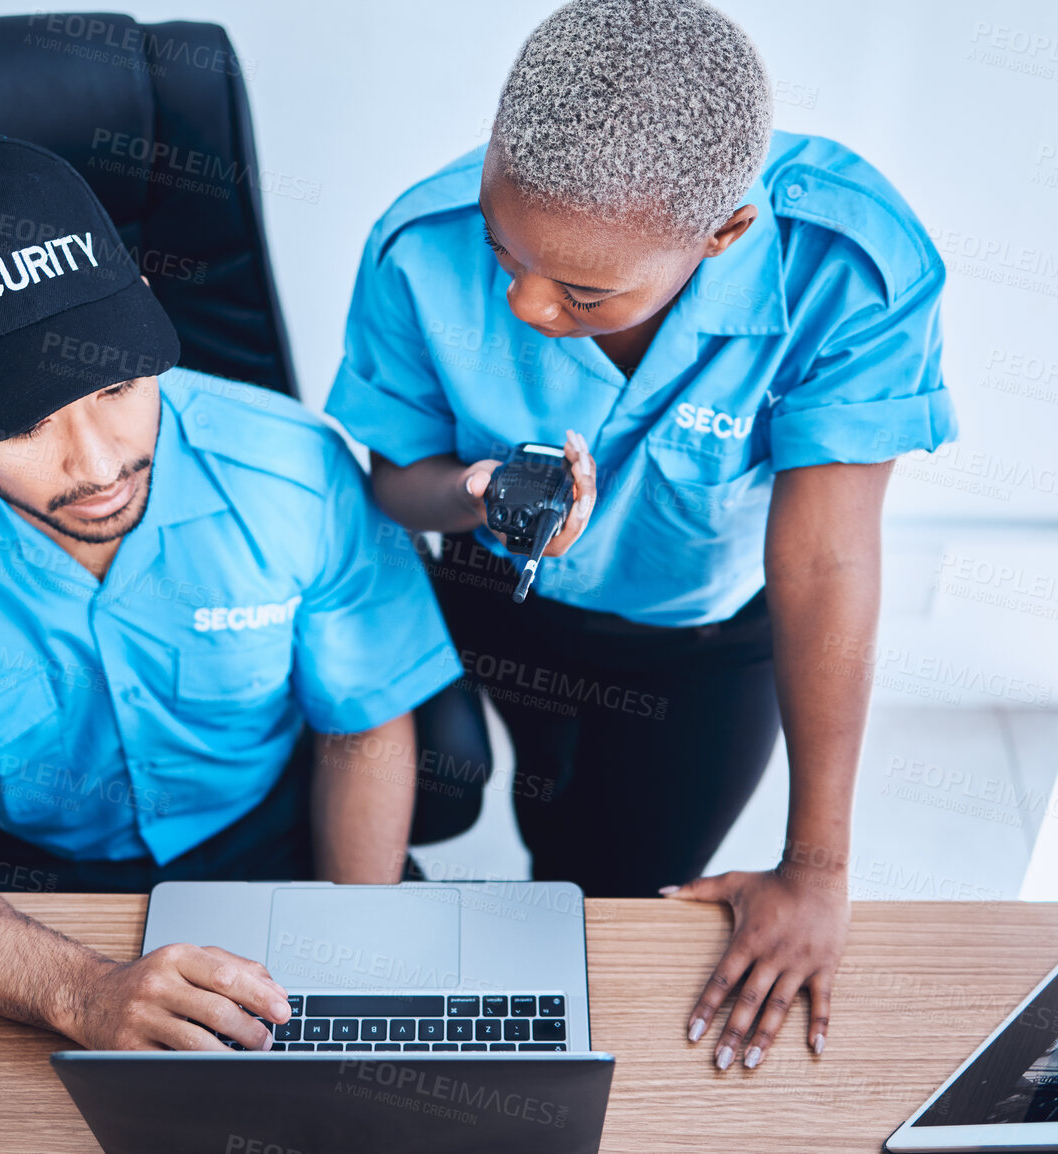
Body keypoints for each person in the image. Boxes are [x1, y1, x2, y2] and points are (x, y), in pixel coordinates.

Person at [324, 0, 956, 1072]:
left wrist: (816, 868)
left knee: (601, 896)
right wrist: (475, 493)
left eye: (582, 291)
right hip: (485, 593)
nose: (524, 304)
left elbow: (824, 559)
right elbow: (397, 488)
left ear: (722, 237)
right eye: (502, 245)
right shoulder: (414, 245)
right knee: (422, 794)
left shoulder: (851, 268)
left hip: (694, 644)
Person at [0, 134, 461, 1052]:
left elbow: (360, 721)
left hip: (265, 842)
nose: (99, 464)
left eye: (118, 384)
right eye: (26, 422)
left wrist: (342, 963)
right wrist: (77, 989)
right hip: (11, 885)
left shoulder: (291, 467)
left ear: (144, 315)